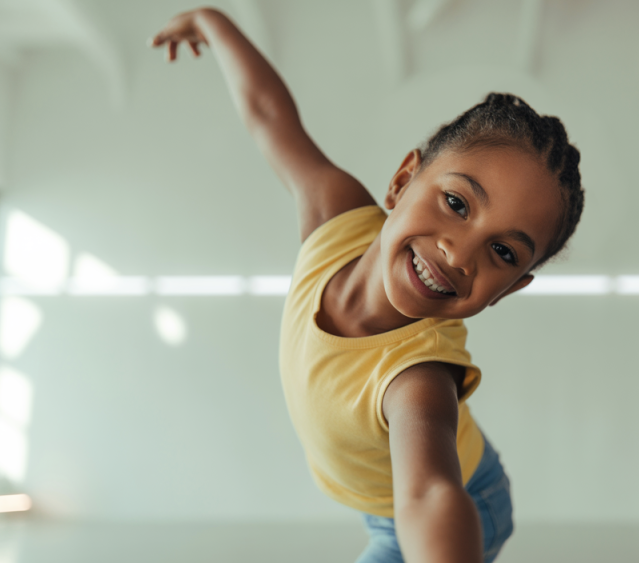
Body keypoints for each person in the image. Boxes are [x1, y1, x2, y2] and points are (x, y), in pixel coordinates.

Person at [150, 8, 583, 562]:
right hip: (388, 501)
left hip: (459, 509)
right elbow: (268, 116)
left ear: (508, 289)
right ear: (402, 180)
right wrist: (213, 21)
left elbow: (429, 493)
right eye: (455, 203)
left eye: (501, 252)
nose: (457, 251)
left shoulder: (418, 376)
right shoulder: (336, 221)